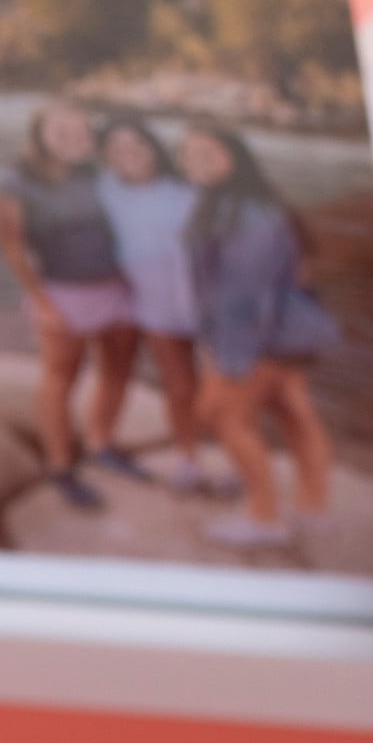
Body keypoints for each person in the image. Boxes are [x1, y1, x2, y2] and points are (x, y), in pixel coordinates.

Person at [180, 125, 338, 552]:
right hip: (286, 333)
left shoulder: (245, 214)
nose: (195, 160)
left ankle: (264, 516)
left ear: (236, 159)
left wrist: (230, 357)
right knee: (293, 412)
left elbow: (244, 296)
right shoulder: (234, 203)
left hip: (261, 336)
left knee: (226, 418)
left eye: (208, 152)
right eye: (188, 153)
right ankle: (313, 509)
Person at [0, 101, 137, 509]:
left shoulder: (100, 173)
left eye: (82, 131)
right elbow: (11, 246)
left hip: (119, 288)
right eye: (61, 131)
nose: (74, 139)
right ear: (39, 134)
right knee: (60, 379)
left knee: (118, 370)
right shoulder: (12, 179)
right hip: (64, 291)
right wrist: (42, 302)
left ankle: (101, 444)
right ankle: (60, 465)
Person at [88, 115, 230, 498]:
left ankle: (231, 459)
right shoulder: (104, 189)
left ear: (154, 148)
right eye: (117, 148)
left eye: (137, 144)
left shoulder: (189, 187)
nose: (129, 153)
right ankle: (188, 459)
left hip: (211, 306)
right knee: (180, 387)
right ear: (105, 156)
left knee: (223, 389)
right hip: (157, 308)